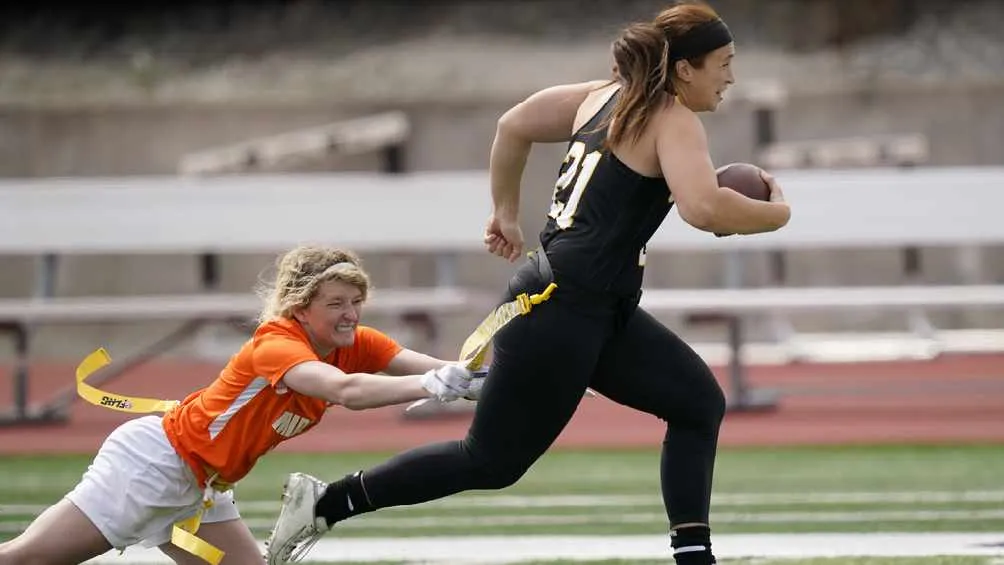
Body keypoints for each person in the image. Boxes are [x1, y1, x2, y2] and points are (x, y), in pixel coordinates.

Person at [265, 2, 791, 564]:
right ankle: (327, 502)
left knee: (696, 403)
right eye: (723, 63)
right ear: (685, 68)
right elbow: (703, 208)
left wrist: (505, 211)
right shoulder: (673, 117)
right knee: (490, 461)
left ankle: (694, 557)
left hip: (593, 305)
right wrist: (778, 213)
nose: (730, 77)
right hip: (562, 309)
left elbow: (513, 125)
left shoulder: (601, 96)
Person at [0, 245, 475, 565]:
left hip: (202, 486)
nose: (350, 314)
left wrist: (485, 378)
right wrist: (430, 385)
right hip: (155, 466)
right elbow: (346, 391)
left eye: (356, 301)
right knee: (27, 559)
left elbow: (443, 369)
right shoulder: (277, 344)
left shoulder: (355, 341)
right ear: (300, 306)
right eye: (335, 303)